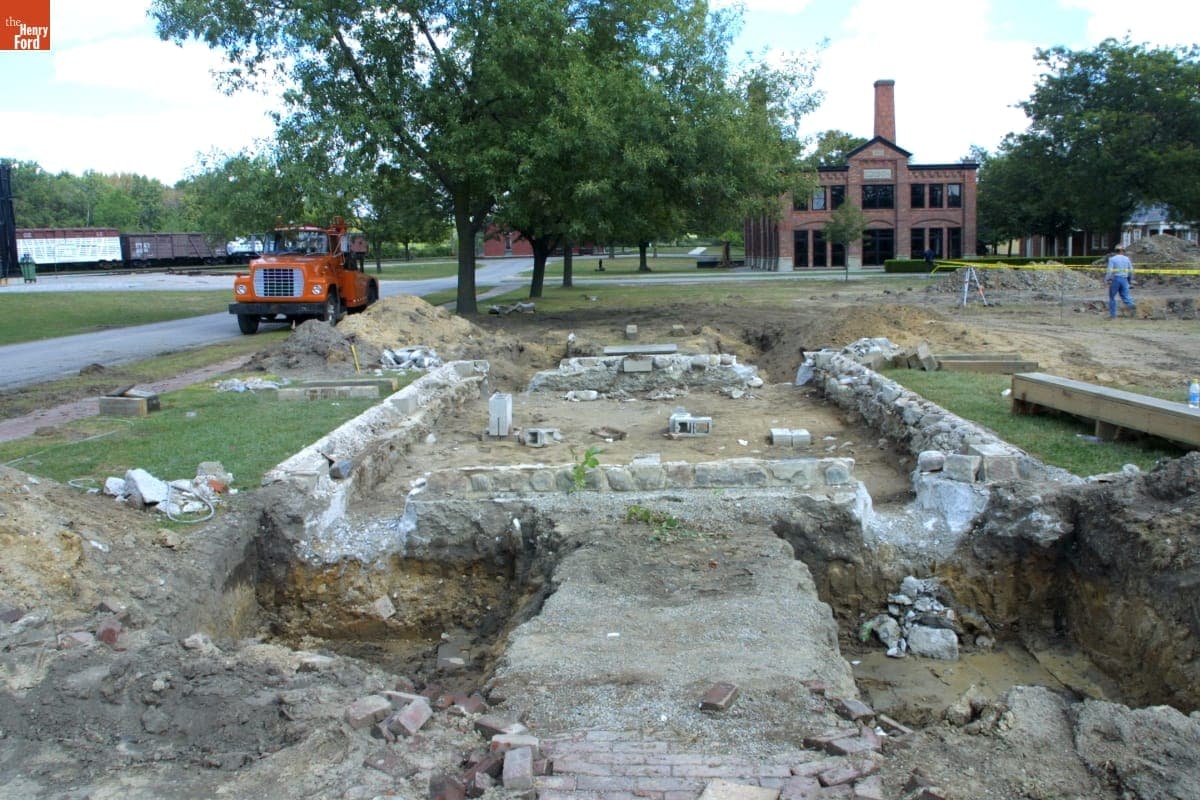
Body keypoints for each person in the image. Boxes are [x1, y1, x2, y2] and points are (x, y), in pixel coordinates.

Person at [1105, 243, 1136, 319]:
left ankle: (1113, 315)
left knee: (1112, 297)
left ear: (1116, 251)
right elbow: (1131, 270)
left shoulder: (1112, 259)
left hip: (1116, 279)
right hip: (1125, 279)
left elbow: (1110, 271)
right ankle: (1134, 308)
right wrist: (1130, 280)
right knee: (1126, 297)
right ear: (1123, 250)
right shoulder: (1127, 259)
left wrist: (1107, 279)